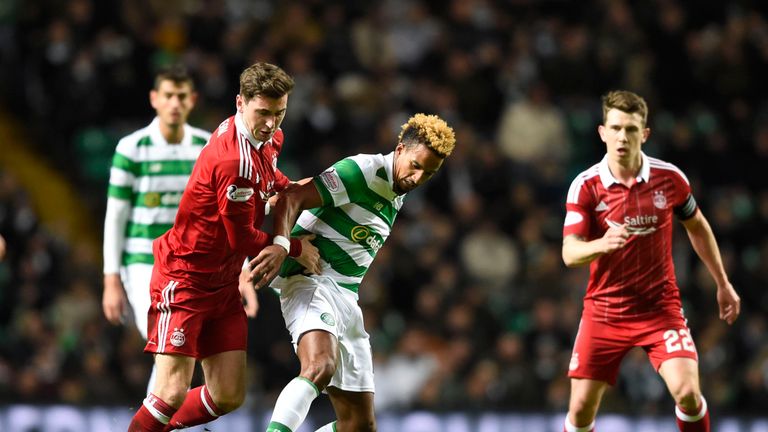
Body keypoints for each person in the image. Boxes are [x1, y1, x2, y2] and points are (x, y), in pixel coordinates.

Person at [127, 62, 321, 432]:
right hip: (185, 278)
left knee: (228, 394)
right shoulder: (235, 162)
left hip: (222, 283)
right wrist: (294, 247)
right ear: (241, 102)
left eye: (279, 113)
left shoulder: (267, 139)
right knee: (169, 392)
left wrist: (291, 186)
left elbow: (270, 178)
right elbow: (244, 239)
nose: (271, 123)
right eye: (263, 112)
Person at [250, 113, 456, 432]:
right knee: (319, 366)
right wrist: (283, 245)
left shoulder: (397, 191)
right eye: (416, 166)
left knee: (358, 425)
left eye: (428, 173)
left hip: (345, 295)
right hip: (311, 282)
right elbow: (293, 197)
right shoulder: (364, 170)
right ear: (400, 149)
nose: (418, 178)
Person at [560, 90, 741, 432]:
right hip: (605, 311)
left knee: (688, 392)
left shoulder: (669, 178)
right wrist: (601, 243)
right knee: (581, 410)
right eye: (615, 128)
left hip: (659, 308)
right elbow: (570, 252)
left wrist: (723, 282)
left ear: (644, 134)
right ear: (602, 132)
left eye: (630, 129)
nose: (622, 137)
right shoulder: (585, 186)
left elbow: (698, 227)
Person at [102, 65, 212, 395]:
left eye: (181, 96)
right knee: (168, 348)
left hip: (192, 265)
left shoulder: (206, 149)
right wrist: (111, 279)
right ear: (155, 99)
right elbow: (115, 216)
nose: (174, 103)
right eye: (168, 96)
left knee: (178, 353)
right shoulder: (131, 148)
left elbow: (219, 215)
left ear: (192, 100)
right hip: (142, 264)